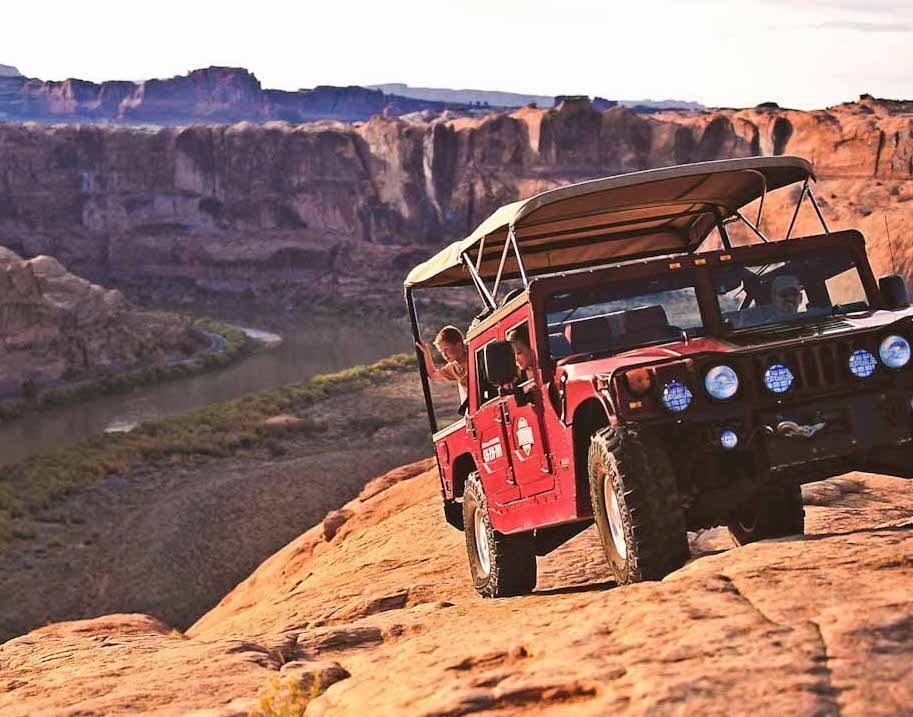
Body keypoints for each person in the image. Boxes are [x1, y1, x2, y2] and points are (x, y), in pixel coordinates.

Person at [417, 325, 469, 402]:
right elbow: (433, 375)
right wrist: (426, 353)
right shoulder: (452, 367)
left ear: (458, 345)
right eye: (441, 352)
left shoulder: (473, 352)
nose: (444, 355)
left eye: (446, 349)